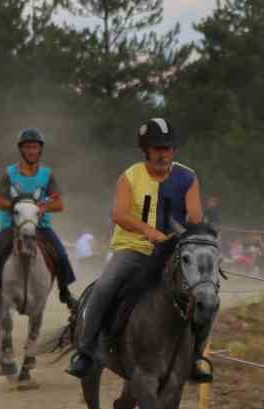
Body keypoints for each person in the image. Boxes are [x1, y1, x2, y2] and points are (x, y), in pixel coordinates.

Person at [66, 118, 210, 382]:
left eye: (167, 148)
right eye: (156, 148)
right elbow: (119, 214)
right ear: (145, 150)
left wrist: (193, 230)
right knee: (104, 287)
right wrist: (149, 231)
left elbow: (195, 217)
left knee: (208, 295)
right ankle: (85, 351)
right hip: (133, 249)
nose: (162, 153)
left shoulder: (188, 177)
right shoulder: (130, 176)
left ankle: (196, 357)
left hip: (175, 252)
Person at [0, 128, 78, 309]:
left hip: (41, 226)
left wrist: (43, 207)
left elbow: (59, 204)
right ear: (21, 150)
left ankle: (65, 292)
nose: (32, 151)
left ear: (40, 150)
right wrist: (18, 206)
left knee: (61, 255)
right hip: (13, 225)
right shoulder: (9, 173)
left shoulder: (47, 175)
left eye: (35, 147)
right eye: (28, 147)